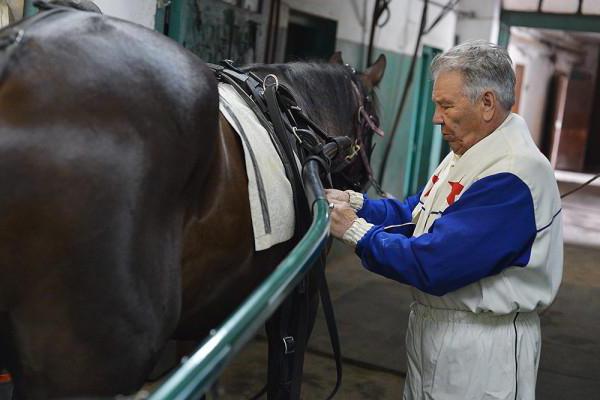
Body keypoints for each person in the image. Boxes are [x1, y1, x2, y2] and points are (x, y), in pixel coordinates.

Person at [327, 40, 563, 400]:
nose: (437, 118)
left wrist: (356, 232)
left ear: (486, 103)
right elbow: (418, 213)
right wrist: (357, 204)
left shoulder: (512, 174)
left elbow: (434, 263)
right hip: (440, 336)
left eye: (445, 105)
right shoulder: (471, 151)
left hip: (481, 351)